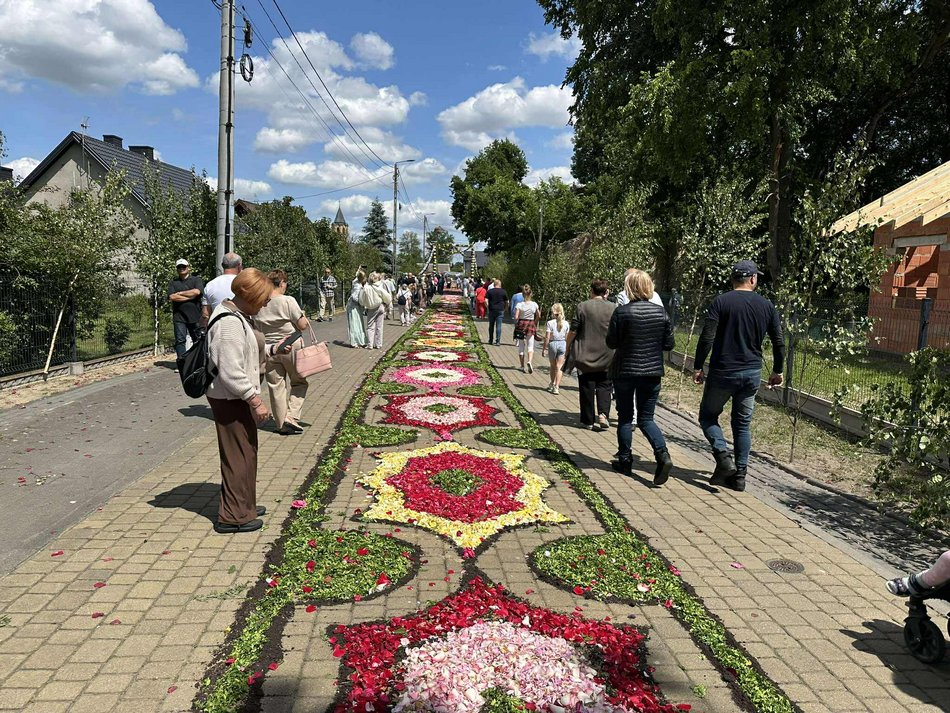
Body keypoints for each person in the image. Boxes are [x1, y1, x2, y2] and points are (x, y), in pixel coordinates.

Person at [206, 268, 291, 533]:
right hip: (230, 398)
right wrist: (255, 400)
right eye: (263, 298)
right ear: (250, 296)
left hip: (236, 397)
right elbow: (231, 371)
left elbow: (247, 349)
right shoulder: (228, 323)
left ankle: (245, 505)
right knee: (237, 456)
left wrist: (273, 349)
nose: (267, 303)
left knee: (246, 452)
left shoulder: (237, 315)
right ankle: (232, 517)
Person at [693, 260, 785, 492]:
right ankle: (740, 477)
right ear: (753, 279)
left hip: (723, 372)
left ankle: (723, 458)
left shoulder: (720, 302)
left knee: (707, 416)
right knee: (742, 425)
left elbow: (707, 337)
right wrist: (777, 370)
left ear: (733, 279)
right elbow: (778, 341)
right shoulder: (766, 305)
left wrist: (697, 366)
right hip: (751, 373)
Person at [606, 270, 675, 484]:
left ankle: (625, 460)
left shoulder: (622, 312)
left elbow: (611, 342)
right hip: (652, 372)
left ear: (629, 288)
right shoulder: (661, 313)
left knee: (625, 417)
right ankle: (662, 455)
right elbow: (669, 344)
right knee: (646, 418)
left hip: (625, 371)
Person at [253, 270, 312, 435]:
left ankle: (281, 424)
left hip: (269, 349)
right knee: (299, 382)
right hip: (291, 346)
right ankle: (292, 416)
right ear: (282, 283)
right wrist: (303, 317)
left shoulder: (259, 303)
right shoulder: (288, 301)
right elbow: (302, 325)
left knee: (276, 386)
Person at [565, 279, 615, 431]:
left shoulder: (582, 306)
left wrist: (568, 345)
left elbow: (574, 329)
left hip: (585, 353)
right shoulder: (614, 307)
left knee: (586, 386)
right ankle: (603, 414)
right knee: (605, 385)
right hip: (607, 353)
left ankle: (587, 420)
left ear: (592, 290)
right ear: (605, 291)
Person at [168, 259, 204, 369]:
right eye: (179, 267)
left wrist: (180, 293)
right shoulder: (173, 283)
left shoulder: (196, 280)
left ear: (188, 268)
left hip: (195, 316)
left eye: (184, 267)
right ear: (177, 269)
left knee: (197, 340)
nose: (182, 269)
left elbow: (197, 292)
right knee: (180, 341)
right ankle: (182, 365)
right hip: (179, 316)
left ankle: (199, 363)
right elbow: (172, 297)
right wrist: (190, 297)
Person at [202, 252, 242, 326]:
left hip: (217, 327)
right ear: (239, 266)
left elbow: (205, 315)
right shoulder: (245, 283)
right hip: (241, 328)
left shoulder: (210, 285)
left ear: (222, 265)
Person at [542, 303, 570, 394]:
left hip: (553, 344)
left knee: (553, 366)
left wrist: (544, 348)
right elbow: (567, 337)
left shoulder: (550, 323)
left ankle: (552, 383)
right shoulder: (566, 323)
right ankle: (556, 386)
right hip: (563, 344)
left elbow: (547, 337)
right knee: (559, 367)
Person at [513, 285, 540, 373]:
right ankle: (529, 361)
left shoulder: (519, 305)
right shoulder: (534, 304)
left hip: (521, 324)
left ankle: (522, 366)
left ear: (523, 295)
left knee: (521, 346)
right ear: (531, 294)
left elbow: (516, 317)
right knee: (530, 346)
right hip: (531, 324)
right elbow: (538, 315)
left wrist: (518, 321)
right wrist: (534, 322)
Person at [363, 272, 391, 349]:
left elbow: (362, 298)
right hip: (380, 306)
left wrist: (365, 305)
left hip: (371, 308)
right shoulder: (379, 287)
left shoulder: (367, 287)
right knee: (379, 326)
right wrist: (387, 303)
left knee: (370, 326)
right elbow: (387, 297)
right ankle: (378, 344)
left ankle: (370, 344)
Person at [347, 271, 368, 348]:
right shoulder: (357, 286)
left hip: (357, 307)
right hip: (353, 307)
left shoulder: (356, 283)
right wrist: (362, 302)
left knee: (359, 323)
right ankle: (355, 342)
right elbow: (354, 297)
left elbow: (355, 278)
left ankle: (361, 341)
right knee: (354, 324)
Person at [486, 279, 508, 346]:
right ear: (500, 284)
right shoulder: (503, 292)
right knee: (499, 326)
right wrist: (506, 308)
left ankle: (490, 340)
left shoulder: (490, 291)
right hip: (500, 310)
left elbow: (485, 300)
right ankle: (498, 341)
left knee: (491, 325)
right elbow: (507, 301)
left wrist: (487, 307)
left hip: (492, 309)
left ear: (494, 284)